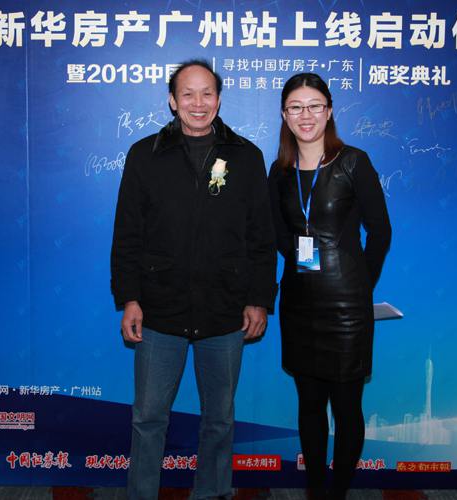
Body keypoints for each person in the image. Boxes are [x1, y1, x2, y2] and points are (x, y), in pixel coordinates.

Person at [111, 59, 276, 500]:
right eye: (188, 94)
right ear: (172, 101)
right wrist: (129, 298)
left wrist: (259, 298)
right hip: (159, 308)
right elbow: (127, 235)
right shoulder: (145, 155)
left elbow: (262, 238)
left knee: (219, 419)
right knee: (148, 417)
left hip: (225, 309)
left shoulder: (246, 157)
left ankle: (212, 493)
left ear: (218, 99)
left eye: (207, 93)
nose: (198, 103)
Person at [268, 73, 391, 499]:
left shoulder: (353, 161)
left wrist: (359, 285)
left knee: (346, 406)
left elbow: (380, 232)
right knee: (308, 405)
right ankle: (315, 490)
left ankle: (337, 492)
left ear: (330, 110)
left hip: (346, 310)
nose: (306, 115)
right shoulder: (280, 171)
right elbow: (277, 233)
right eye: (296, 107)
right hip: (299, 305)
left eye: (315, 105)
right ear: (284, 114)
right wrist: (298, 264)